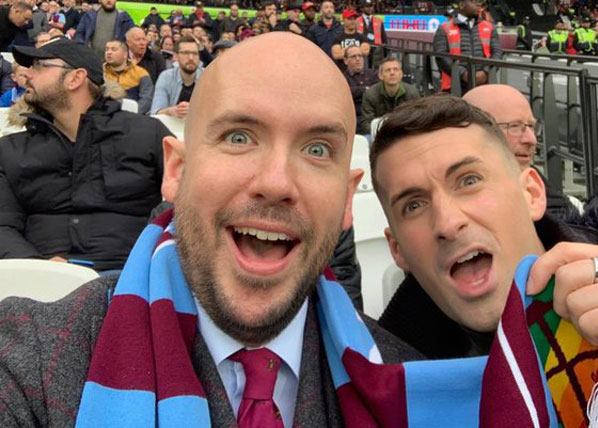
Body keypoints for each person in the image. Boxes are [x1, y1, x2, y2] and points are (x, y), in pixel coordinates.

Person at [0, 32, 421, 427]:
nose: (275, 183)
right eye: (239, 137)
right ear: (177, 172)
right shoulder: (30, 358)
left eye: (317, 149)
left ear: (347, 198)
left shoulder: (411, 385)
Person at [372, 95, 598, 426]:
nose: (448, 223)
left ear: (532, 193)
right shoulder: (380, 386)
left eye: (468, 181)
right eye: (413, 205)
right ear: (397, 249)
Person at [0, 37, 171, 270]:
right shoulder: (11, 150)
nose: (27, 74)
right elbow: (3, 226)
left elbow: (189, 200)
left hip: (132, 278)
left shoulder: (147, 135)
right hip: (38, 283)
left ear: (75, 78)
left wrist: (150, 251)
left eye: (39, 66)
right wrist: (38, 268)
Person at [463, 84, 576, 217]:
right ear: (472, 133)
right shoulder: (450, 215)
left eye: (532, 126)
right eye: (514, 126)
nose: (532, 139)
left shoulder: (561, 208)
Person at [433, 0, 503, 93]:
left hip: (485, 83)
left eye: (479, 2)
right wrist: (463, 74)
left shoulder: (490, 27)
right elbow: (441, 56)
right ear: (462, 5)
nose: (478, 4)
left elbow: (497, 52)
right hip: (455, 85)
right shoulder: (444, 28)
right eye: (473, 1)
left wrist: (485, 72)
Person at [360, 57, 419, 134]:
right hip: (379, 135)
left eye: (395, 69)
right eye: (388, 70)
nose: (392, 73)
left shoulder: (412, 92)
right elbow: (366, 124)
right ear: (380, 76)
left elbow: (417, 120)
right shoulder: (370, 94)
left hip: (404, 134)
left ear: (401, 74)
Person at [151, 36, 202, 117]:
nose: (191, 58)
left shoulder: (207, 77)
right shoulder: (166, 77)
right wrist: (169, 111)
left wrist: (195, 110)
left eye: (195, 53)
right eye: (186, 53)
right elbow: (155, 112)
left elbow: (216, 112)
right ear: (175, 56)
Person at [103, 39, 153, 114]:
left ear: (125, 54)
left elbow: (146, 100)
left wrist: (133, 115)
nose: (109, 52)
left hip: (132, 117)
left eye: (114, 49)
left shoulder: (141, 73)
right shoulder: (100, 72)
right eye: (107, 49)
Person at [342, 45, 377, 133]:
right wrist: (365, 89)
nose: (358, 59)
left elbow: (376, 92)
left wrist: (356, 91)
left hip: (371, 118)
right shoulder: (342, 78)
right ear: (346, 60)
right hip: (353, 120)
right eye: (353, 56)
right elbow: (347, 93)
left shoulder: (372, 74)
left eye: (360, 56)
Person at [356, 0, 386, 68]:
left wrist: (385, 52)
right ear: (362, 8)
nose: (370, 8)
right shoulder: (356, 21)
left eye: (371, 6)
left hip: (376, 50)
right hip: (362, 50)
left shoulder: (379, 21)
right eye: (367, 6)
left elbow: (383, 37)